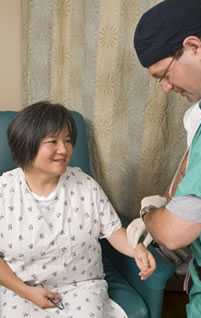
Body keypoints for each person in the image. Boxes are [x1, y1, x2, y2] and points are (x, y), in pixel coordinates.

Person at [127, 0, 201, 317]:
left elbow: (173, 232)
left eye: (164, 74)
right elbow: (194, 167)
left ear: (194, 46)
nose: (166, 87)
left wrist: (150, 213)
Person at [0, 101, 156, 318]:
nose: (64, 149)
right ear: (26, 144)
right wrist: (25, 291)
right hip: (21, 289)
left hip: (81, 286)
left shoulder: (85, 184)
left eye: (67, 140)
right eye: (52, 141)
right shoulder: (4, 191)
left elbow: (112, 230)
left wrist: (136, 249)